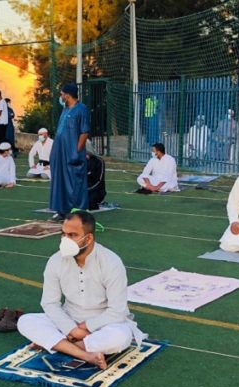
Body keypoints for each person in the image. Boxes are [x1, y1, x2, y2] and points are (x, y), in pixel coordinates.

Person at [17, 210, 146, 371]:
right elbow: (49, 303)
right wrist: (72, 329)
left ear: (89, 238)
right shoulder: (55, 260)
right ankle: (85, 354)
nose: (65, 240)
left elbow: (117, 310)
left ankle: (58, 344)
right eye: (63, 234)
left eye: (72, 235)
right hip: (68, 319)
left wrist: (87, 327)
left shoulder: (111, 262)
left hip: (104, 323)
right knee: (26, 321)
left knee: (120, 337)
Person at [48, 83, 90, 218]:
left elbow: (84, 132)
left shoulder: (81, 109)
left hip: (72, 151)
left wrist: (77, 150)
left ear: (67, 95)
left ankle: (77, 211)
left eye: (62, 94)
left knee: (74, 180)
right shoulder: (65, 109)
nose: (60, 97)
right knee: (59, 179)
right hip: (60, 150)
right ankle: (62, 209)